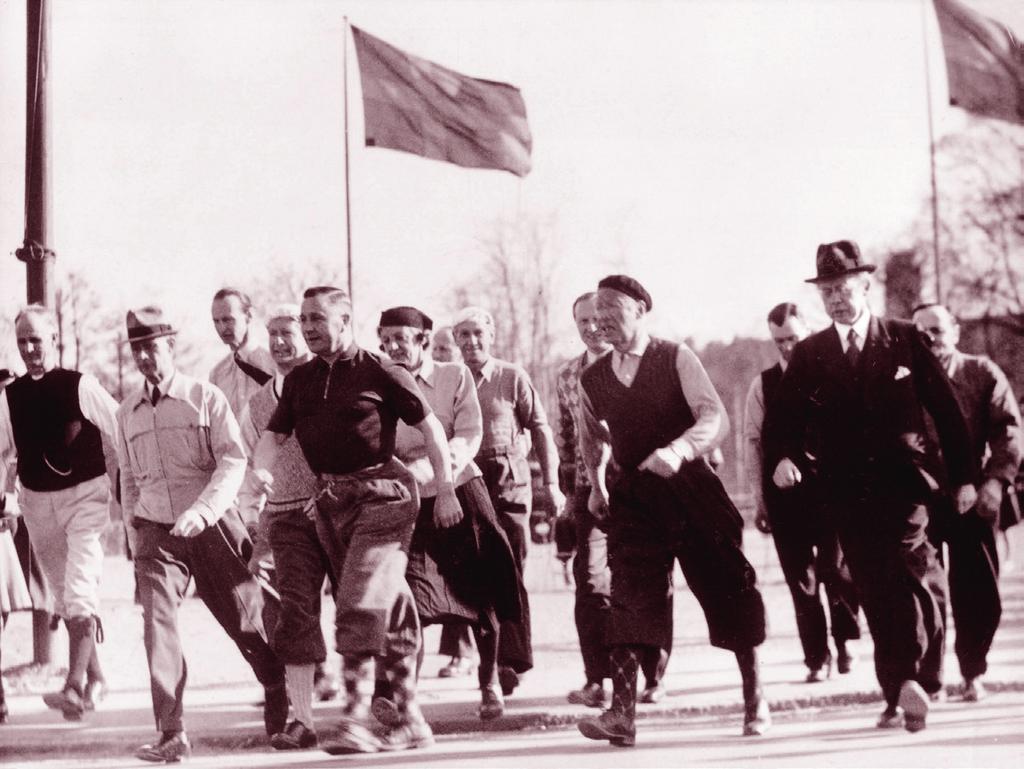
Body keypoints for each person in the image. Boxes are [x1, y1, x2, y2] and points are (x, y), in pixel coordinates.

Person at [766, 241, 975, 733]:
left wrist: (964, 477)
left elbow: (947, 411)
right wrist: (782, 458)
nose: (836, 299)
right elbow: (783, 420)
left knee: (910, 577)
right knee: (877, 589)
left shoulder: (903, 338)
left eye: (843, 288)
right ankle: (899, 691)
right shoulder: (813, 353)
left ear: (865, 286)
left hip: (905, 486)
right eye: (827, 292)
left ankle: (915, 677)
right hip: (845, 493)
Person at [252, 286, 463, 754]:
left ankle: (355, 717)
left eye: (317, 320)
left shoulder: (381, 370)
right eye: (304, 319)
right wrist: (260, 469)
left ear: (345, 321)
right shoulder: (301, 379)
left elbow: (430, 428)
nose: (307, 328)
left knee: (359, 597)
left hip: (384, 495)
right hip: (332, 501)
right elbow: (274, 435)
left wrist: (446, 487)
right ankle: (410, 719)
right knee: (392, 604)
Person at [576, 276, 769, 747]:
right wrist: (597, 486)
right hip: (635, 501)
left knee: (728, 591)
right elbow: (591, 438)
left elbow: (714, 416)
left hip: (691, 494)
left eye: (612, 312)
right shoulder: (593, 377)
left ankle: (755, 697)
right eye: (596, 315)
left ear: (641, 309)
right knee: (629, 599)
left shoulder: (675, 357)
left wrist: (680, 450)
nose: (601, 323)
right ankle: (621, 714)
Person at [115, 306, 286, 763]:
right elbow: (128, 478)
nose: (145, 359)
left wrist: (204, 511)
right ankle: (171, 732)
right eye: (137, 351)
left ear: (170, 346)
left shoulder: (204, 397)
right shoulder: (127, 411)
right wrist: (137, 533)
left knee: (244, 620)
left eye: (151, 348)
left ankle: (276, 683)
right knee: (157, 626)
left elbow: (233, 461)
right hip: (156, 533)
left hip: (212, 525)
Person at [376, 306, 521, 722]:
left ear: (424, 338)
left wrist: (441, 480)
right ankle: (405, 700)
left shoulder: (452, 376)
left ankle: (490, 682)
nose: (392, 346)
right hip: (409, 499)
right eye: (385, 339)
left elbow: (469, 433)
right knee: (412, 598)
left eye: (401, 337)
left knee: (483, 588)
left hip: (459, 489)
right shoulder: (382, 382)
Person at [0, 306, 118, 721]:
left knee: (81, 586)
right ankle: (97, 678)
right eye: (22, 342)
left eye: (36, 339)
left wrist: (131, 486)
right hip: (37, 503)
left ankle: (73, 685)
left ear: (53, 339)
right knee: (66, 595)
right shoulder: (9, 396)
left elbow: (122, 428)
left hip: (85, 497)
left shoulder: (78, 384)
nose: (30, 349)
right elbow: (0, 451)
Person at [555, 292, 671, 708]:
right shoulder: (568, 375)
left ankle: (653, 675)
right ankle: (596, 678)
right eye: (582, 321)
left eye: (596, 319)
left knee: (649, 580)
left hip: (640, 487)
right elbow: (565, 439)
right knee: (590, 582)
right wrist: (569, 497)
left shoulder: (642, 365)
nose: (591, 327)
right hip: (591, 493)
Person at [443, 306, 565, 696]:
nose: (471, 341)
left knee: (511, 569)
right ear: (455, 341)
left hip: (510, 484)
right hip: (466, 482)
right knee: (472, 576)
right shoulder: (451, 381)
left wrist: (551, 483)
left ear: (491, 335)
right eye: (463, 335)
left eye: (478, 333)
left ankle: (512, 660)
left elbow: (541, 429)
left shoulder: (512, 377)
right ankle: (485, 663)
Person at [743, 302, 860, 683]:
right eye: (780, 341)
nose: (789, 347)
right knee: (801, 580)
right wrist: (760, 496)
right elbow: (754, 443)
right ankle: (816, 657)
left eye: (795, 338)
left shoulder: (833, 374)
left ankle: (845, 641)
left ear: (808, 331)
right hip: (785, 496)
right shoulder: (763, 385)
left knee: (836, 570)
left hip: (832, 492)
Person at [237, 303, 336, 750]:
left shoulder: (329, 383)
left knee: (361, 602)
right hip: (286, 517)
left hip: (337, 508)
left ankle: (383, 702)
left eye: (288, 331)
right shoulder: (257, 405)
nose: (279, 341)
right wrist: (257, 520)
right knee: (290, 611)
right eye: (272, 333)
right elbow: (250, 466)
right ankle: (301, 717)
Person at [913, 302, 1023, 703]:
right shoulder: (905, 383)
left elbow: (1008, 430)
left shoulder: (981, 373)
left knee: (978, 590)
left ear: (955, 332)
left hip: (973, 499)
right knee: (927, 589)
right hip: (922, 501)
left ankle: (973, 670)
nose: (932, 340)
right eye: (922, 333)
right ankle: (930, 679)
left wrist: (996, 481)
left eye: (938, 330)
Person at [209, 287, 276, 418]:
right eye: (216, 321)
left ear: (249, 316)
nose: (222, 328)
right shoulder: (217, 375)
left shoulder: (275, 362)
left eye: (228, 319)